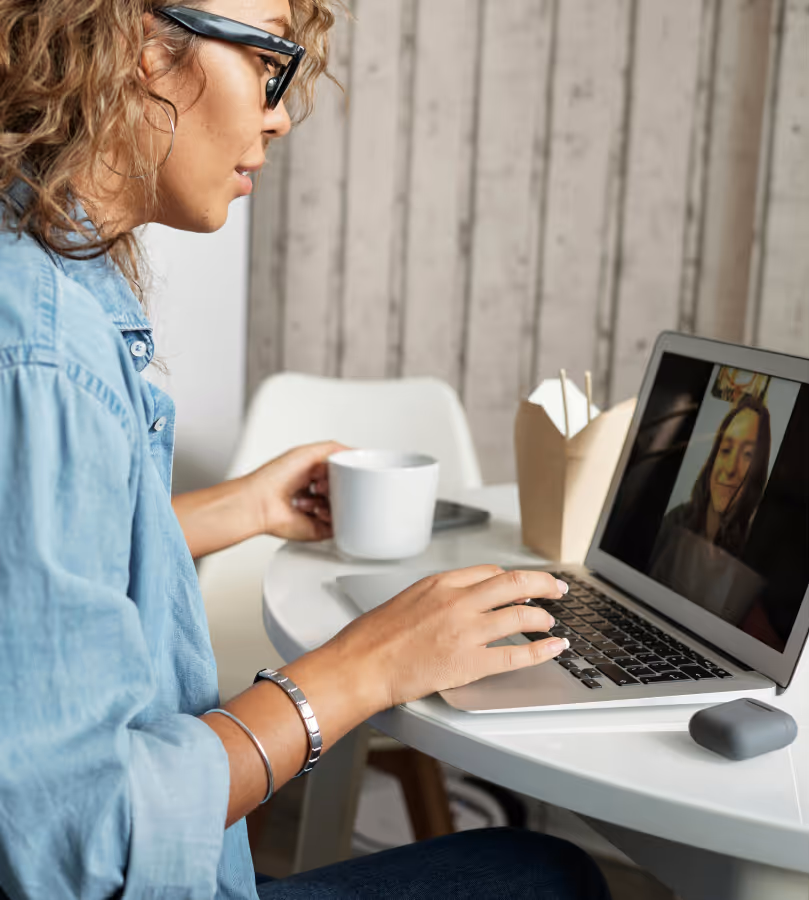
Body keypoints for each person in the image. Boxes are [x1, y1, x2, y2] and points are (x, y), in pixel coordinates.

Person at [0, 2, 613, 898]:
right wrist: (365, 667)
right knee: (548, 880)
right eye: (268, 57)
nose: (280, 112)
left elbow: (36, 579)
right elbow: (82, 842)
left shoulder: (55, 278)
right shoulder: (43, 351)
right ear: (137, 42)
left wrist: (244, 506)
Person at [648, 394, 772, 623]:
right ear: (714, 456)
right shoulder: (674, 523)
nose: (730, 469)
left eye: (747, 455)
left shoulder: (752, 556)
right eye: (726, 450)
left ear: (758, 471)